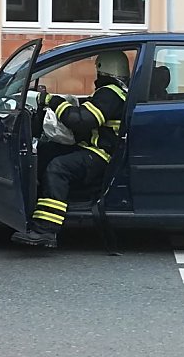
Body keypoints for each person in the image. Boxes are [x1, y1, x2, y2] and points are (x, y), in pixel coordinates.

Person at [11, 51, 129, 248]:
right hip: (97, 149)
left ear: (101, 69)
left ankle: (46, 230)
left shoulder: (110, 93)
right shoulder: (116, 92)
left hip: (101, 156)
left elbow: (81, 121)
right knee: (46, 151)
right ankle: (35, 208)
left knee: (59, 168)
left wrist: (53, 101)